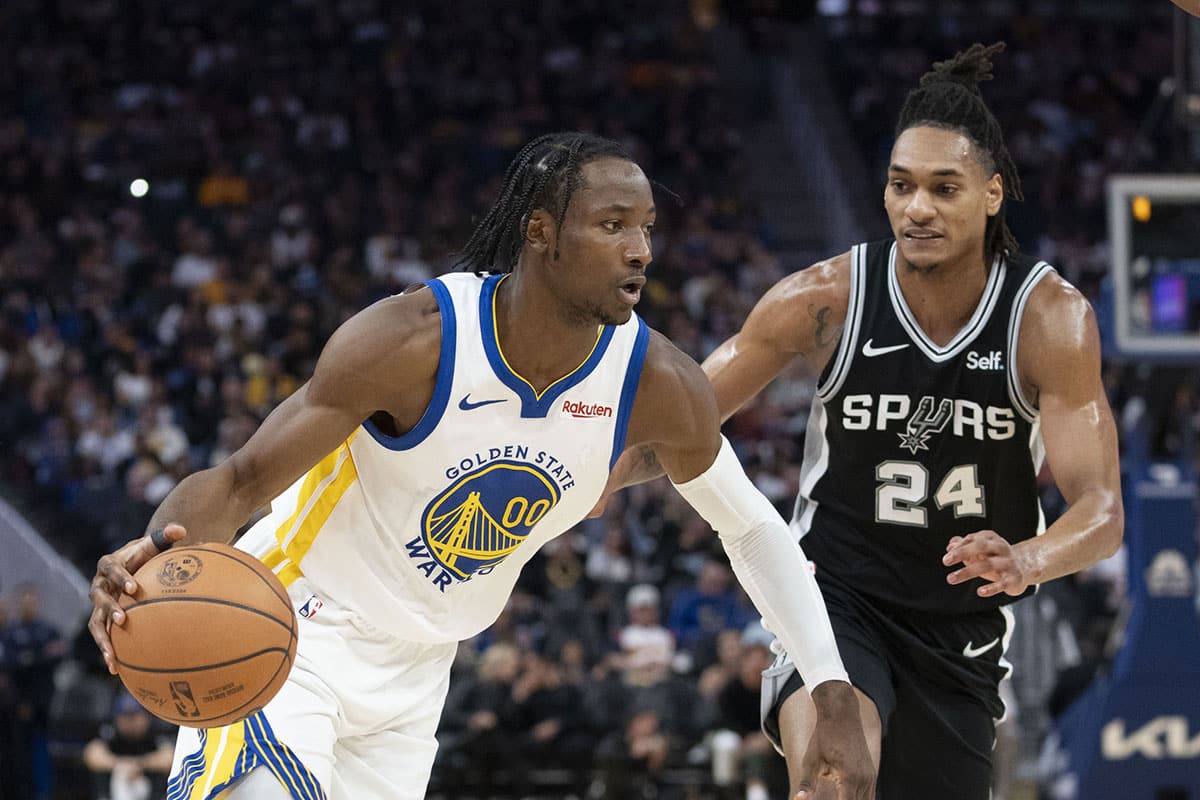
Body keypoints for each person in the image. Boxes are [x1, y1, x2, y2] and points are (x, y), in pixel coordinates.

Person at [87, 132, 873, 800]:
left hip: (420, 676)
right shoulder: (415, 340)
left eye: (647, 227)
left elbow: (753, 530)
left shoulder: (658, 383)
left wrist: (830, 686)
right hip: (292, 632)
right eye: (611, 225)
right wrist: (157, 557)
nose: (639, 249)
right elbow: (241, 480)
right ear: (541, 233)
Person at [605, 44, 1123, 798]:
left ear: (992, 194)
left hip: (960, 635)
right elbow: (679, 423)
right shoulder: (824, 300)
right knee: (838, 778)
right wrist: (588, 480)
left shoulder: (1049, 319)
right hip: (832, 598)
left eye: (945, 188)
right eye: (901, 185)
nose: (918, 207)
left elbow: (1101, 512)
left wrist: (1030, 558)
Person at [82, 691, 174, 800]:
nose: (130, 722)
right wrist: (121, 766)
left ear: (145, 716)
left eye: (134, 715)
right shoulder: (111, 733)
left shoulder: (155, 732)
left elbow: (170, 758)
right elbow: (92, 755)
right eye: (125, 716)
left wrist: (139, 765)